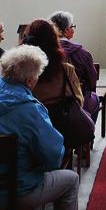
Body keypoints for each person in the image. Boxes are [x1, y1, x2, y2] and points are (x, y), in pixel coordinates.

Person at [0, 45, 79, 209]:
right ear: (30, 81)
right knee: (71, 180)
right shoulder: (30, 109)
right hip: (17, 190)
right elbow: (53, 158)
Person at [22, 19, 84, 146]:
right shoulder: (65, 70)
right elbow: (78, 101)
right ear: (54, 42)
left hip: (26, 130)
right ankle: (81, 148)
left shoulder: (17, 71)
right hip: (59, 130)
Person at [49, 11, 99, 121]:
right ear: (66, 30)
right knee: (95, 98)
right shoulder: (81, 53)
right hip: (74, 103)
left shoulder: (43, 52)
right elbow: (91, 81)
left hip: (46, 104)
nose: (73, 29)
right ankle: (88, 134)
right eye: (72, 26)